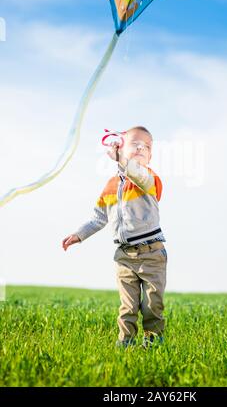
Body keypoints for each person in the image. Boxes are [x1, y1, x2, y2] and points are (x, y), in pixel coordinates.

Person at [62, 126, 167, 349]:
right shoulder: (110, 186)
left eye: (146, 147)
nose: (141, 148)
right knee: (128, 307)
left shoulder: (149, 179)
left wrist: (121, 160)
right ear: (120, 147)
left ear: (150, 156)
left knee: (151, 306)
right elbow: (98, 218)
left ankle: (154, 345)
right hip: (124, 257)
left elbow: (135, 174)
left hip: (152, 254)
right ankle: (125, 344)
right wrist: (79, 235)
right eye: (135, 144)